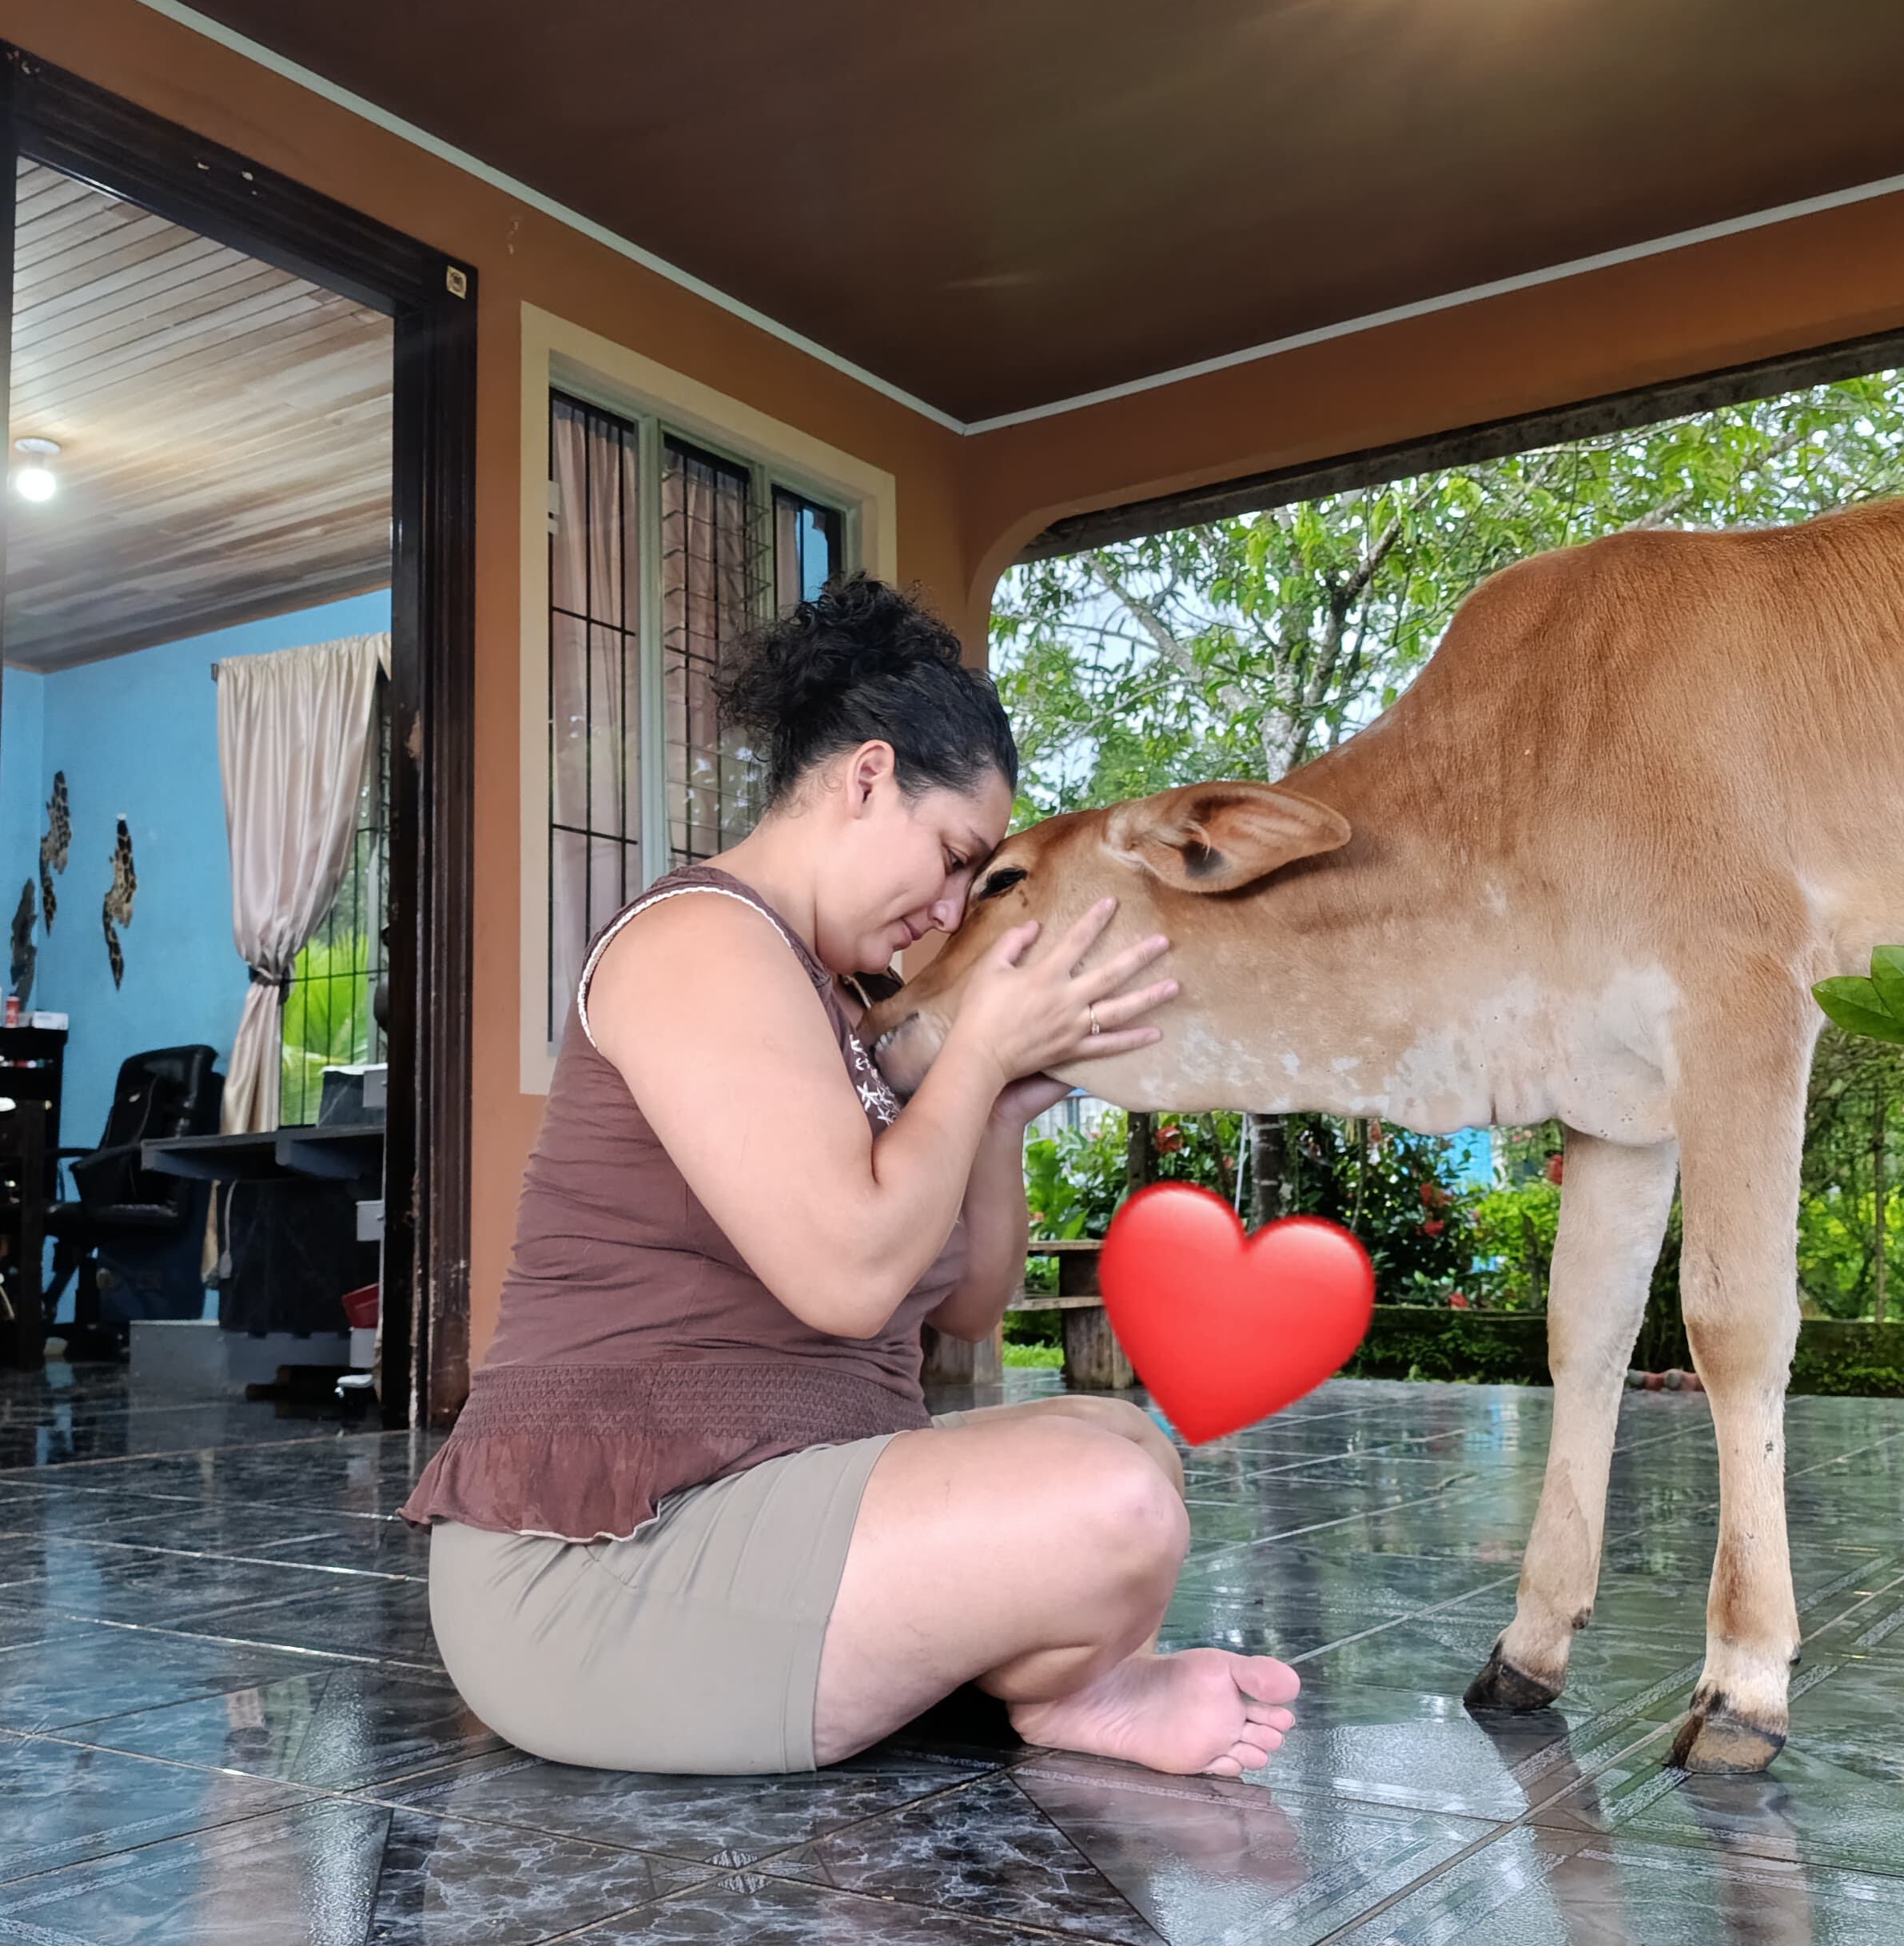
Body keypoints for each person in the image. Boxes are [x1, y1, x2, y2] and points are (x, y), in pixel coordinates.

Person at [403, 576, 1300, 1781]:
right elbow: (845, 1278)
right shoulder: (698, 940)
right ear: (866, 778)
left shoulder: (837, 1002)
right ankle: (1078, 1689)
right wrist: (976, 1048)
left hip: (765, 1506)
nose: (942, 915)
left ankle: (1065, 1693)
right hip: (598, 1569)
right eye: (950, 861)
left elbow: (969, 1307)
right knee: (1110, 1500)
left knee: (1120, 1439)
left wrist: (995, 1107)